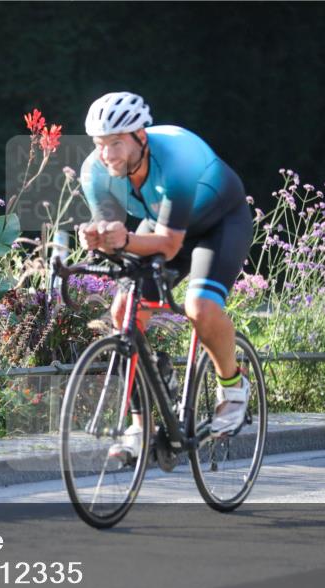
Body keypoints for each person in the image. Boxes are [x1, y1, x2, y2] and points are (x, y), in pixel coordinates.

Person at [76, 92, 254, 463]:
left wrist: (123, 239)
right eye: (99, 144)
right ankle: (141, 426)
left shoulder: (176, 160)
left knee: (200, 306)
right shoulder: (95, 171)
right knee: (124, 310)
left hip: (218, 225)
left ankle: (233, 387)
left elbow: (169, 246)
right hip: (161, 225)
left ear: (141, 136)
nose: (107, 154)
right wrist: (97, 239)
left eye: (116, 143)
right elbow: (115, 237)